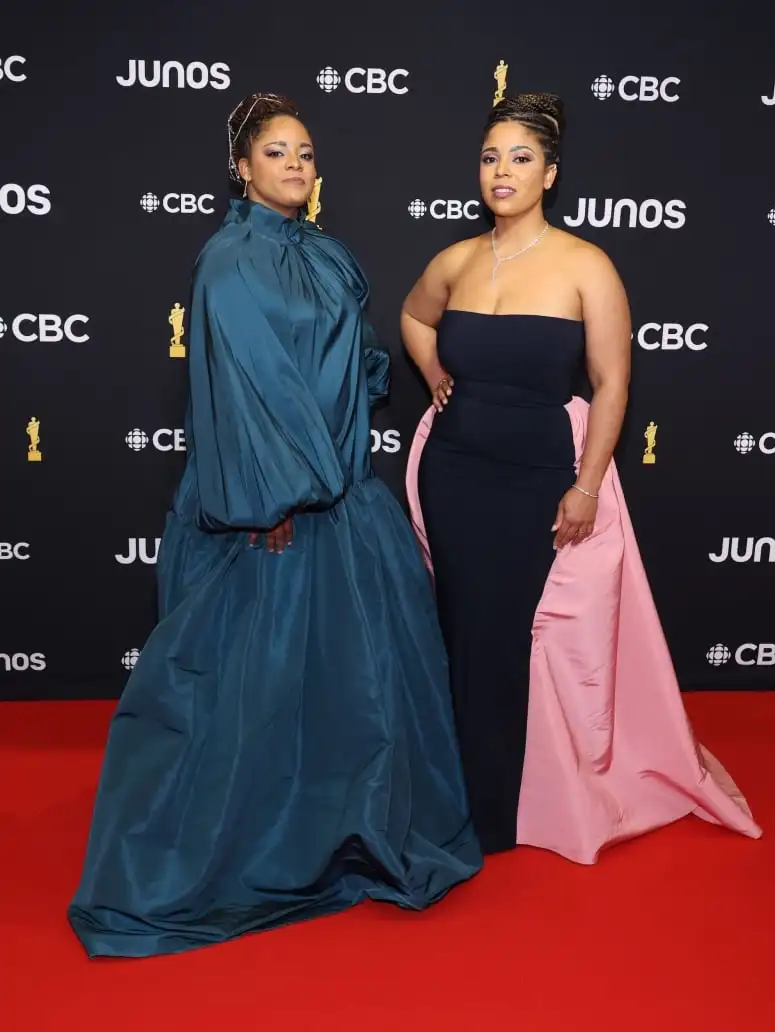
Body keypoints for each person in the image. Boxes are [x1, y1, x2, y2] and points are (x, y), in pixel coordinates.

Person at [68, 93, 481, 958]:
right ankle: (246, 855)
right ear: (242, 168)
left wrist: (330, 464)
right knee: (249, 699)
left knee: (350, 687)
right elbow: (248, 389)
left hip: (341, 498)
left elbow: (351, 363)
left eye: (304, 152)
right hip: (275, 508)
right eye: (276, 153)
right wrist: (275, 498)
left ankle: (350, 831)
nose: (295, 164)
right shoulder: (229, 260)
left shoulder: (323, 252)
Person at [402, 93, 761, 861]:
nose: (502, 171)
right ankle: (454, 791)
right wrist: (433, 368)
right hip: (453, 472)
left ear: (550, 173)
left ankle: (498, 809)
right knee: (460, 629)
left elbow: (613, 383)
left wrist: (587, 484)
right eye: (491, 157)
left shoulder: (586, 264)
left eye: (520, 158)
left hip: (536, 476)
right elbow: (414, 316)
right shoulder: (457, 260)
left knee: (508, 638)